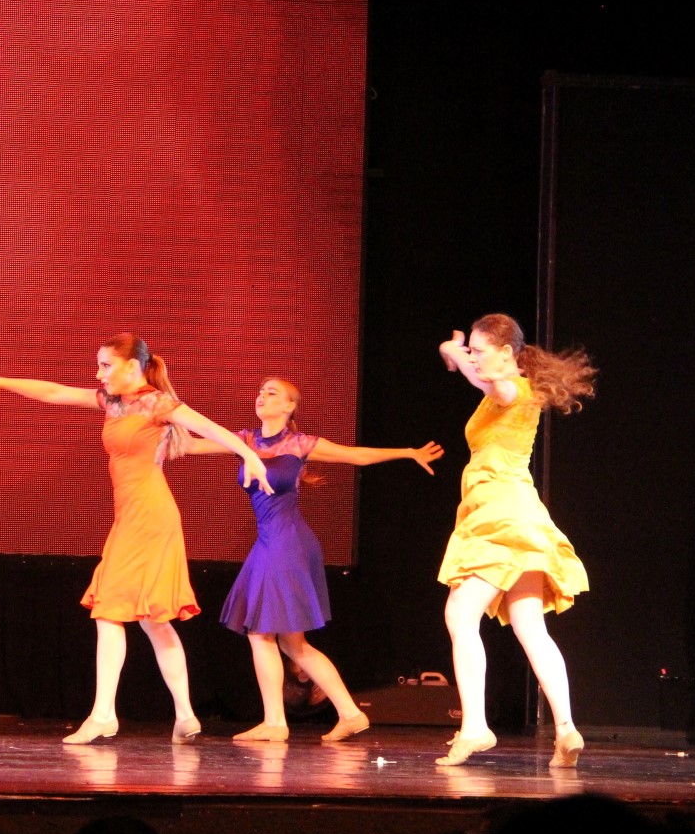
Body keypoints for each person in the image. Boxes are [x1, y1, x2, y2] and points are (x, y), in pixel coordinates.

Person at [0, 333, 274, 744]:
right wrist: (2, 381)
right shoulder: (112, 402)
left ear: (132, 367)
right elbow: (55, 393)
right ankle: (186, 715)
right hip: (133, 515)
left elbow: (209, 428)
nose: (98, 373)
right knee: (153, 620)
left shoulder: (158, 403)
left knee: (108, 609)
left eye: (105, 365)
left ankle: (103, 715)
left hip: (149, 515)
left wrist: (251, 455)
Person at [185, 376, 443, 742]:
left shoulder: (299, 443)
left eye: (272, 392)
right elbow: (192, 445)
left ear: (289, 406)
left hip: (287, 542)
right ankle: (350, 714)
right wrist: (157, 424)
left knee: (261, 633)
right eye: (260, 391)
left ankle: (276, 723)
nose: (262, 396)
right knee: (293, 644)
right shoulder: (244, 440)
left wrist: (408, 452)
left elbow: (356, 455)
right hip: (269, 541)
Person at [434, 314, 595, 767]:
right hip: (519, 514)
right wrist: (461, 357)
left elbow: (495, 385)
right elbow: (486, 383)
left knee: (460, 613)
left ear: (506, 353)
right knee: (530, 627)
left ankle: (475, 726)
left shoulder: (513, 389)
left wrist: (455, 355)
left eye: (481, 352)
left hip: (500, 516)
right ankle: (566, 728)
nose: (475, 360)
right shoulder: (511, 391)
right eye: (473, 352)